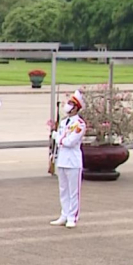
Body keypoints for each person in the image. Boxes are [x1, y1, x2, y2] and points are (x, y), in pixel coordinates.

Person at [50, 91, 86, 229]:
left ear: (76, 108)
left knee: (73, 191)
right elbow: (61, 141)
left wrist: (57, 138)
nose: (67, 105)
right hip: (62, 159)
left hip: (73, 161)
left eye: (71, 103)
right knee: (63, 190)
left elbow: (70, 142)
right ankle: (64, 215)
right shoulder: (64, 122)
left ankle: (72, 217)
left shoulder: (79, 124)